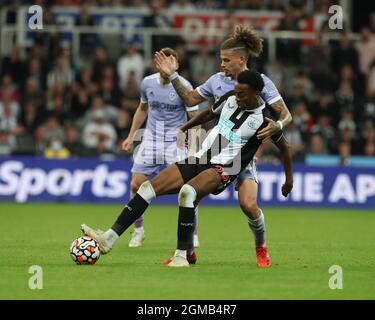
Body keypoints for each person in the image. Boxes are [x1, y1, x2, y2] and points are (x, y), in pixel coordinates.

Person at [81, 70, 294, 267]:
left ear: (256, 93)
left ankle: (181, 256)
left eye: (242, 94)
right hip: (201, 157)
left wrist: (289, 180)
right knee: (147, 188)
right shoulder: (230, 98)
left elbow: (285, 148)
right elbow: (209, 113)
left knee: (188, 192)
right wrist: (185, 127)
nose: (237, 97)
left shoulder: (264, 120)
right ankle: (109, 238)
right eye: (236, 92)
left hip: (226, 167)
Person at [154, 24, 293, 267]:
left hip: (242, 157)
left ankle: (261, 248)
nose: (221, 64)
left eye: (226, 60)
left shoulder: (260, 82)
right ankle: (187, 252)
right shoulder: (217, 82)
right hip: (217, 150)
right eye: (221, 59)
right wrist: (174, 76)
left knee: (249, 205)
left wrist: (278, 127)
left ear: (241, 59)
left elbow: (285, 115)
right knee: (191, 194)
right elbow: (192, 101)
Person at [121, 47, 201, 250]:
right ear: (157, 64)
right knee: (135, 185)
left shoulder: (184, 86)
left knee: (188, 187)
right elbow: (142, 108)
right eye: (162, 61)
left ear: (176, 65)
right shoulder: (147, 83)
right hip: (151, 140)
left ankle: (193, 232)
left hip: (175, 142)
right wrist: (131, 135)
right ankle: (138, 231)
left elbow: (195, 118)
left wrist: (193, 149)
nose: (165, 65)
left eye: (170, 61)